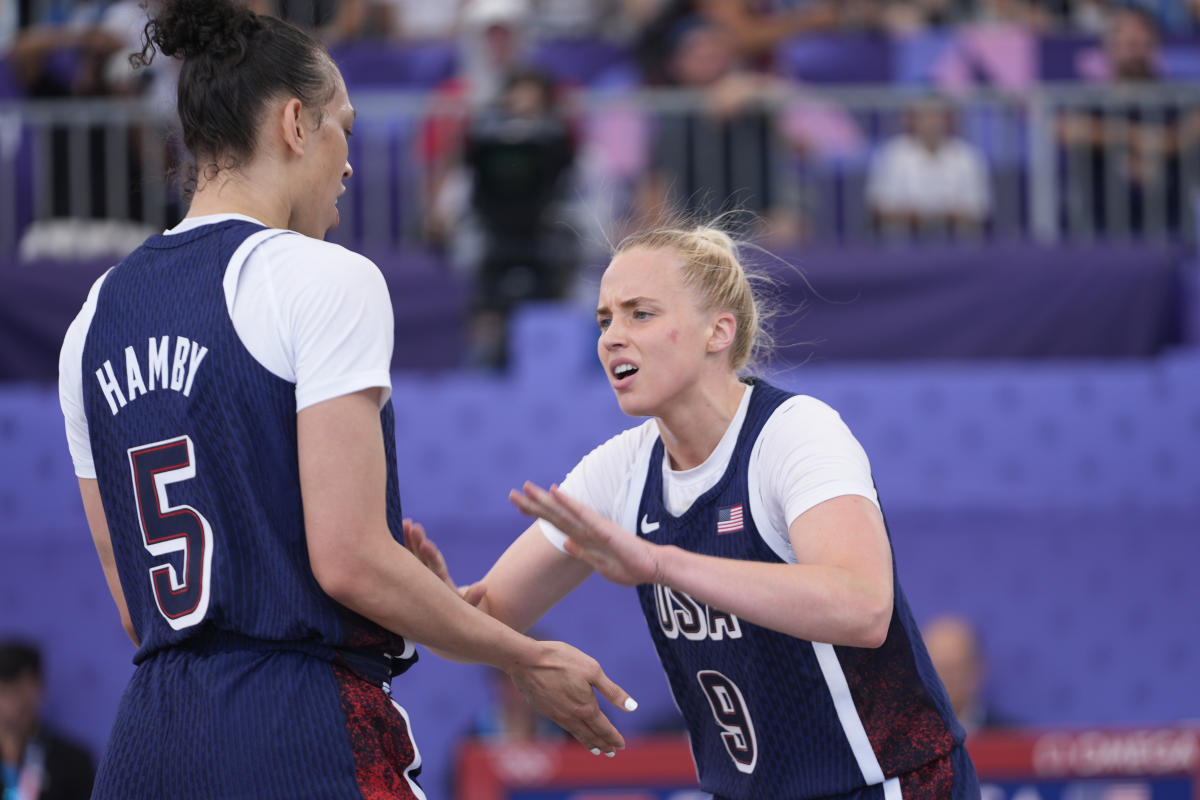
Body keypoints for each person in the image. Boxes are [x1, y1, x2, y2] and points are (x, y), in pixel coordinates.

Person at [55, 1, 633, 798]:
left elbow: (135, 608)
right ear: (296, 123)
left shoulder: (91, 319)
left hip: (149, 738)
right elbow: (350, 561)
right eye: (345, 129)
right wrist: (525, 653)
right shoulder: (324, 276)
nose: (350, 164)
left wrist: (418, 593)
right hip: (294, 727)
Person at [406, 221, 981, 799]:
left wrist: (661, 564)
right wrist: (435, 608)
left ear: (717, 332)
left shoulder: (796, 433)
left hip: (887, 783)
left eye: (640, 314)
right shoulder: (621, 469)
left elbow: (863, 608)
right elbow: (483, 623)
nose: (610, 337)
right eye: (604, 319)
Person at [866, 94, 992, 239]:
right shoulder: (893, 154)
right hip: (903, 243)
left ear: (948, 120)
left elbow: (979, 208)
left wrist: (945, 217)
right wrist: (917, 217)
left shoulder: (967, 155)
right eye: (925, 116)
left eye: (937, 116)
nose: (931, 123)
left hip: (958, 243)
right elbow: (880, 206)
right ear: (912, 121)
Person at [0, 641, 95, 800]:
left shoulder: (74, 763)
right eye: (4, 691)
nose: (13, 705)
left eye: (20, 690)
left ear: (40, 688)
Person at [921, 614, 1014, 736]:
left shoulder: (1010, 737)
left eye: (955, 668)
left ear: (977, 670)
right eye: (937, 667)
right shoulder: (900, 739)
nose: (946, 678)